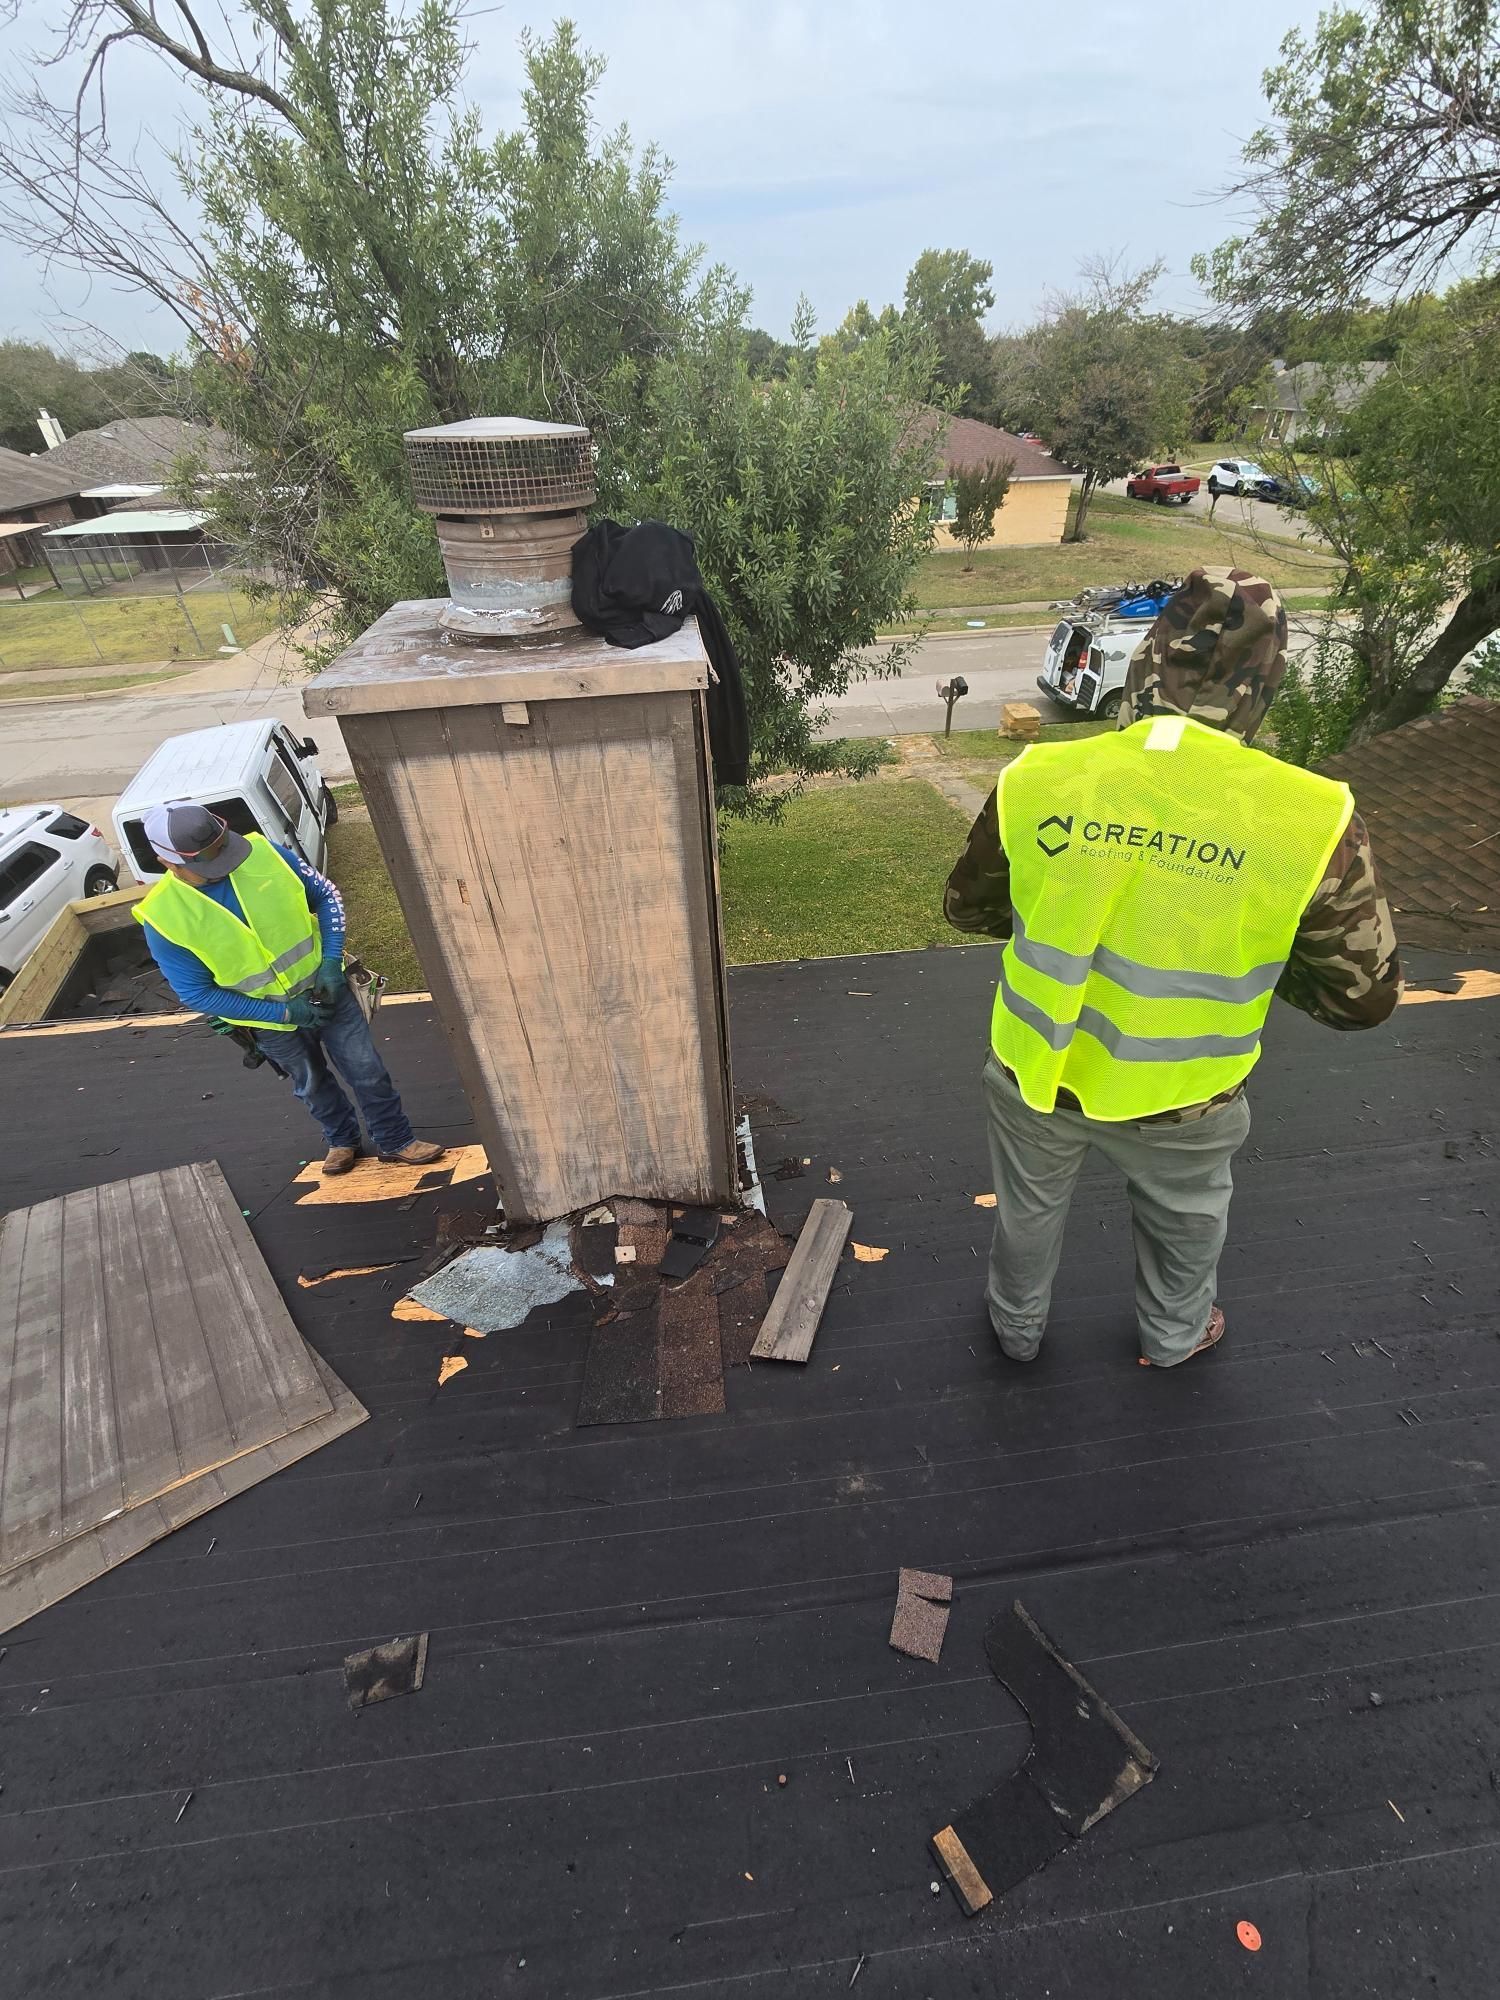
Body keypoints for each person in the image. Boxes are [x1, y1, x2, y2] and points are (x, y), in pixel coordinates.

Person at [944, 567, 1401, 1368]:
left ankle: (1016, 1332)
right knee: (1187, 1224)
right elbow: (1362, 997)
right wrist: (1262, 960)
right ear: (1267, 684)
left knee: (1026, 1214)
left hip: (1035, 1070)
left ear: (1148, 662)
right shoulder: (1313, 818)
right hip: (1186, 1096)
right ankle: (1174, 1336)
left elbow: (971, 909)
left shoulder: (1042, 777)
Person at [135, 802, 446, 1177]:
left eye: (225, 851)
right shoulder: (163, 917)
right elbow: (197, 994)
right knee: (311, 1084)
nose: (226, 866)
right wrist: (283, 1013)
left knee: (366, 1069)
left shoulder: (265, 853)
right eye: (208, 864)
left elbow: (327, 896)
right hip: (270, 1020)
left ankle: (395, 1139)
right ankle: (342, 1140)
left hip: (328, 992)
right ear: (166, 861)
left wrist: (331, 962)